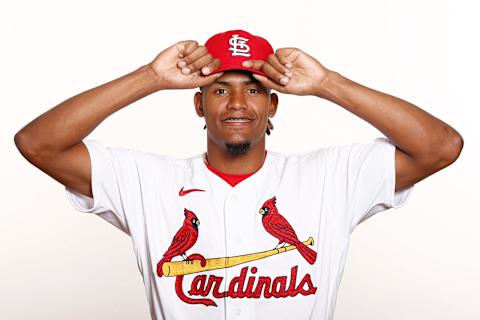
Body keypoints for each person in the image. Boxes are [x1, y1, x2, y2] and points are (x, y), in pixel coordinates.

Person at [14, 29, 463, 320]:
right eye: (220, 89)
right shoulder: (146, 180)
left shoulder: (331, 176)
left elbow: (441, 147)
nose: (236, 103)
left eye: (254, 89)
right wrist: (150, 77)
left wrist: (329, 84)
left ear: (272, 105)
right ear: (198, 103)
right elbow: (38, 143)